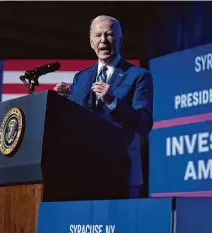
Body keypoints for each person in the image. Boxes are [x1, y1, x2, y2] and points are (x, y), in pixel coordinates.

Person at [54, 15, 154, 198]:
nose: (103, 40)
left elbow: (143, 123)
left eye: (109, 35)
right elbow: (79, 118)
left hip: (121, 171)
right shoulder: (80, 77)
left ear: (120, 40)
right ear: (91, 41)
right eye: (98, 35)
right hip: (82, 170)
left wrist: (112, 101)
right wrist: (63, 101)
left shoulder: (139, 75)